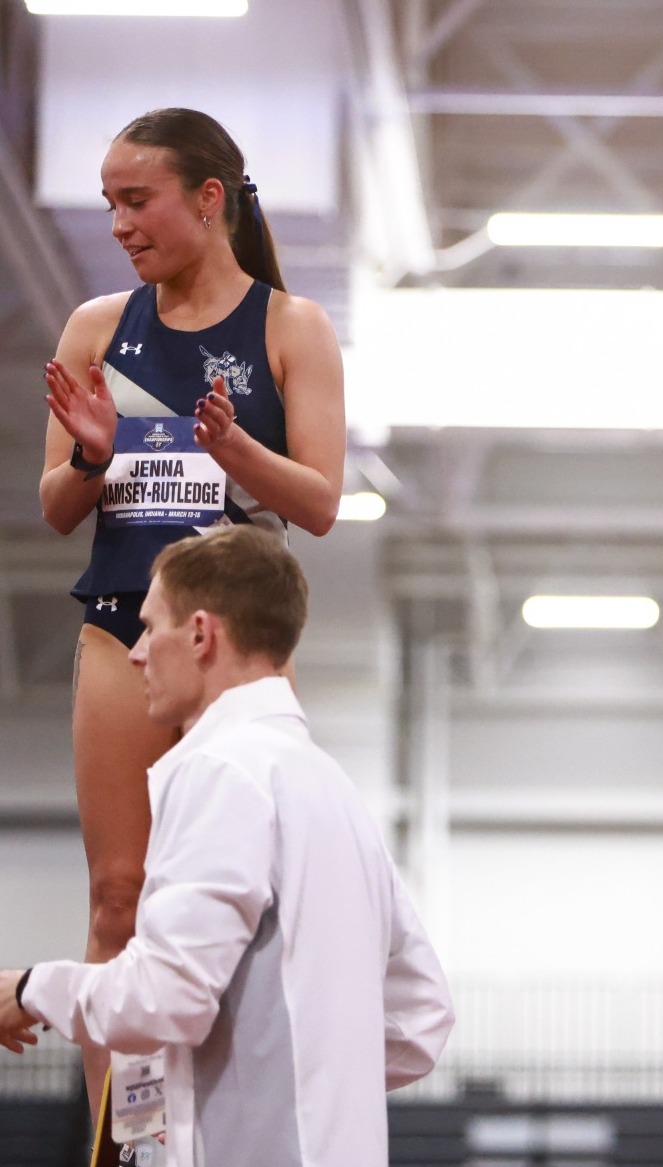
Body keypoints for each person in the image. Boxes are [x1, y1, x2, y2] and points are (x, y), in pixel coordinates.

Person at [36, 107, 344, 1110]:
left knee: (231, 903)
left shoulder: (289, 327)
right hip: (126, 621)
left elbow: (322, 504)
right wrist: (91, 452)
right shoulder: (97, 328)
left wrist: (236, 452)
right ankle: (123, 1136)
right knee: (119, 894)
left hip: (238, 647)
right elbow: (55, 508)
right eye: (110, 204)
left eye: (138, 200)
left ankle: (230, 1118)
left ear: (209, 200)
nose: (121, 223)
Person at [0, 526, 453, 1167]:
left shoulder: (219, 769)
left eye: (150, 628)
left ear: (202, 635)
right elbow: (422, 1014)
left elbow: (168, 997)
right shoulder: (334, 787)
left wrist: (27, 989)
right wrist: (299, 1074)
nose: (136, 654)